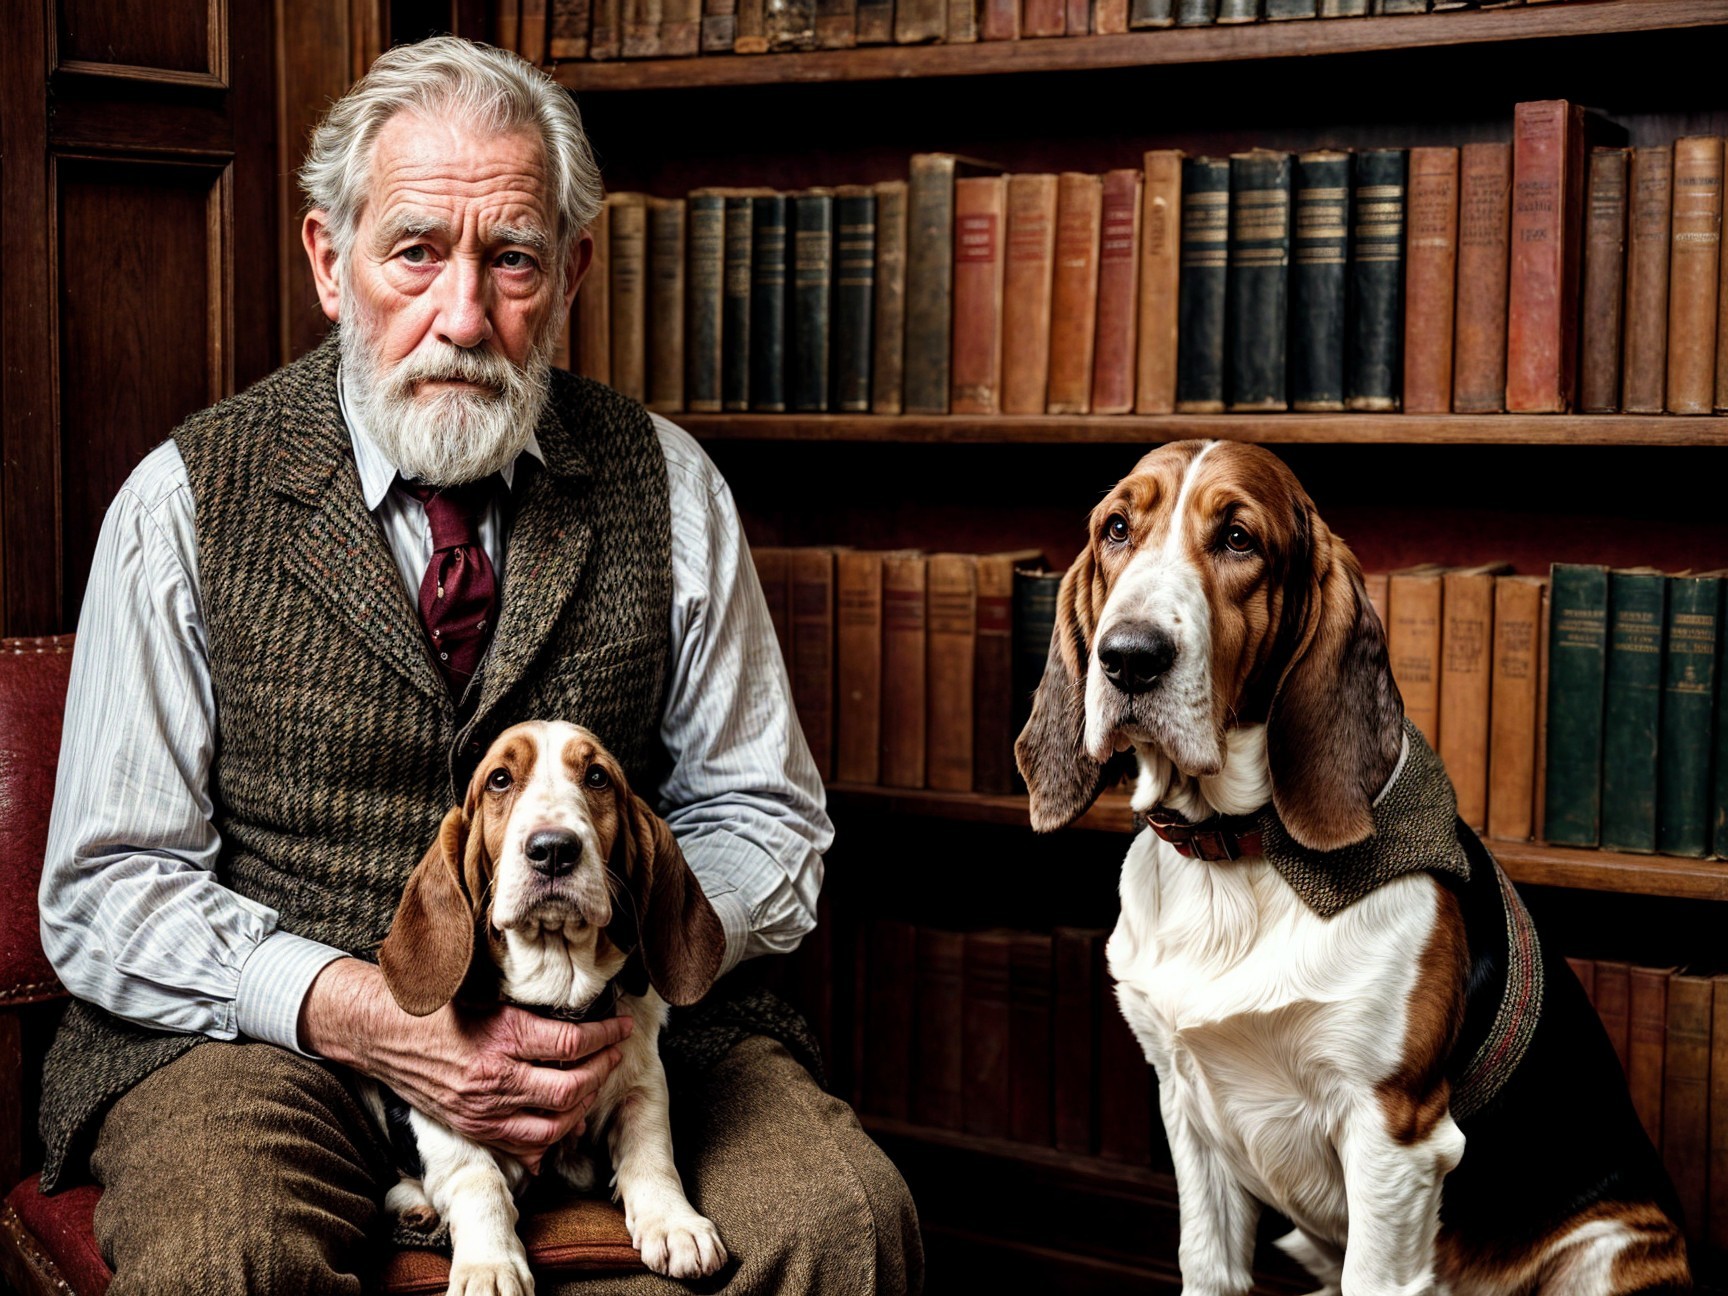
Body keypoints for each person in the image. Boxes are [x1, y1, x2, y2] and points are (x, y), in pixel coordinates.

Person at [35, 34, 920, 1296]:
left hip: (625, 1018)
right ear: (329, 261)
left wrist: (629, 972)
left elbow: (765, 814)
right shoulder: (182, 503)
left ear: (569, 275)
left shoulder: (669, 484)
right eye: (414, 252)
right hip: (276, 1047)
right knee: (226, 1254)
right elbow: (108, 887)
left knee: (845, 1223)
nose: (462, 317)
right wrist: (365, 1012)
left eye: (510, 259)